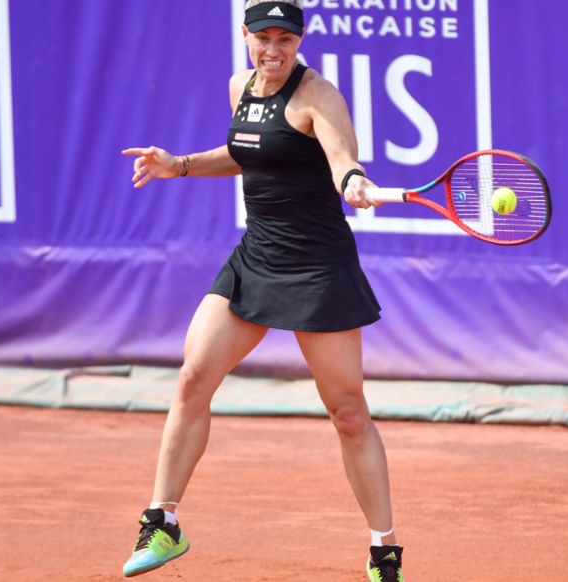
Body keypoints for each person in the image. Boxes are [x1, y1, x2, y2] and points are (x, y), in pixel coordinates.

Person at [120, 2, 404, 580]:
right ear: (245, 36)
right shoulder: (240, 85)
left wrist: (355, 184)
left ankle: (384, 550)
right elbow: (249, 152)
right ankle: (164, 522)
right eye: (262, 38)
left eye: (285, 40)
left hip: (318, 265)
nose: (273, 50)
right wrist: (180, 164)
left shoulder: (318, 95)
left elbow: (341, 157)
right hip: (258, 255)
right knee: (194, 376)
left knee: (348, 412)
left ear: (299, 41)